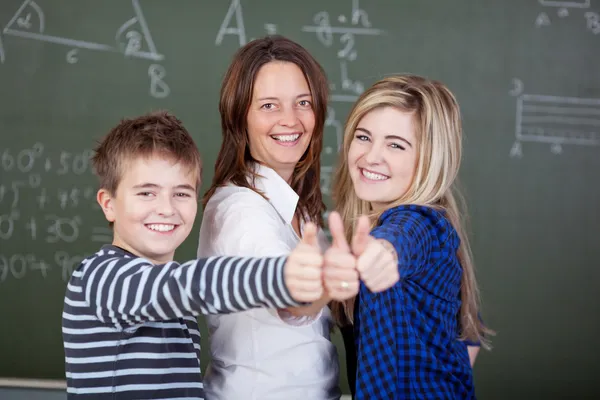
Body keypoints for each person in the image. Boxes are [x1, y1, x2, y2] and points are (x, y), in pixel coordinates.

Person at [62, 111, 338, 399]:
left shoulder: (177, 311)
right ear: (109, 204)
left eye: (181, 193)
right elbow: (186, 284)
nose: (166, 208)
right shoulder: (98, 277)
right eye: (146, 193)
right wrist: (281, 275)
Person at [198, 35, 399, 400]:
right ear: (239, 117)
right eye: (269, 105)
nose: (290, 120)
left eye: (302, 102)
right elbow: (288, 297)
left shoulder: (300, 211)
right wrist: (326, 283)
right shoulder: (240, 210)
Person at [331, 75, 493, 399]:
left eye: (396, 145)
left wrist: (382, 254)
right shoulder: (439, 229)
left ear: (429, 159)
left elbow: (400, 239)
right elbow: (471, 335)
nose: (371, 156)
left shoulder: (422, 222)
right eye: (363, 137)